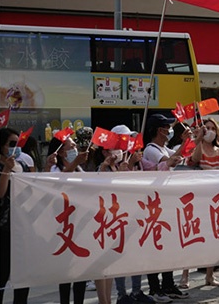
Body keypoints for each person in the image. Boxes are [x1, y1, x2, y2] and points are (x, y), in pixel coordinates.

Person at [97, 125, 155, 304]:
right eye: (125, 140)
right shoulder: (105, 167)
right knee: (116, 257)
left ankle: (136, 291)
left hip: (134, 214)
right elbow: (103, 189)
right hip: (114, 219)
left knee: (135, 255)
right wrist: (126, 168)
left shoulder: (137, 159)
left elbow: (155, 169)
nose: (128, 143)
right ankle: (121, 294)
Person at [140, 114, 187, 302]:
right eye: (167, 127)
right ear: (159, 130)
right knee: (155, 247)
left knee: (168, 246)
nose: (170, 130)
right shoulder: (151, 149)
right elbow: (172, 160)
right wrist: (184, 142)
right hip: (154, 204)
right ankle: (155, 288)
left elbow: (177, 158)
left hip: (166, 201)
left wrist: (190, 141)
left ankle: (168, 284)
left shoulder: (161, 147)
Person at [181, 118, 219, 288]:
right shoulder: (197, 147)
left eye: (212, 128)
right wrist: (198, 140)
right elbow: (193, 160)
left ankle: (209, 275)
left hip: (216, 200)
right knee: (192, 236)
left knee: (213, 237)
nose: (209, 131)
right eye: (207, 128)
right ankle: (185, 275)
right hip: (197, 199)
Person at [45, 136, 90, 304]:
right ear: (61, 150)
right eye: (71, 146)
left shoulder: (78, 168)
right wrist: (74, 163)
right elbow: (57, 184)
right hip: (64, 223)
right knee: (66, 269)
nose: (75, 149)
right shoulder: (54, 169)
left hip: (79, 222)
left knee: (80, 269)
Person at [0, 128, 30, 304]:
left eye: (18, 144)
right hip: (3, 228)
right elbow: (0, 194)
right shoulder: (2, 166)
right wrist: (5, 170)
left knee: (23, 277)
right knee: (2, 275)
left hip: (22, 227)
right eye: (12, 144)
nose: (16, 147)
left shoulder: (23, 165)